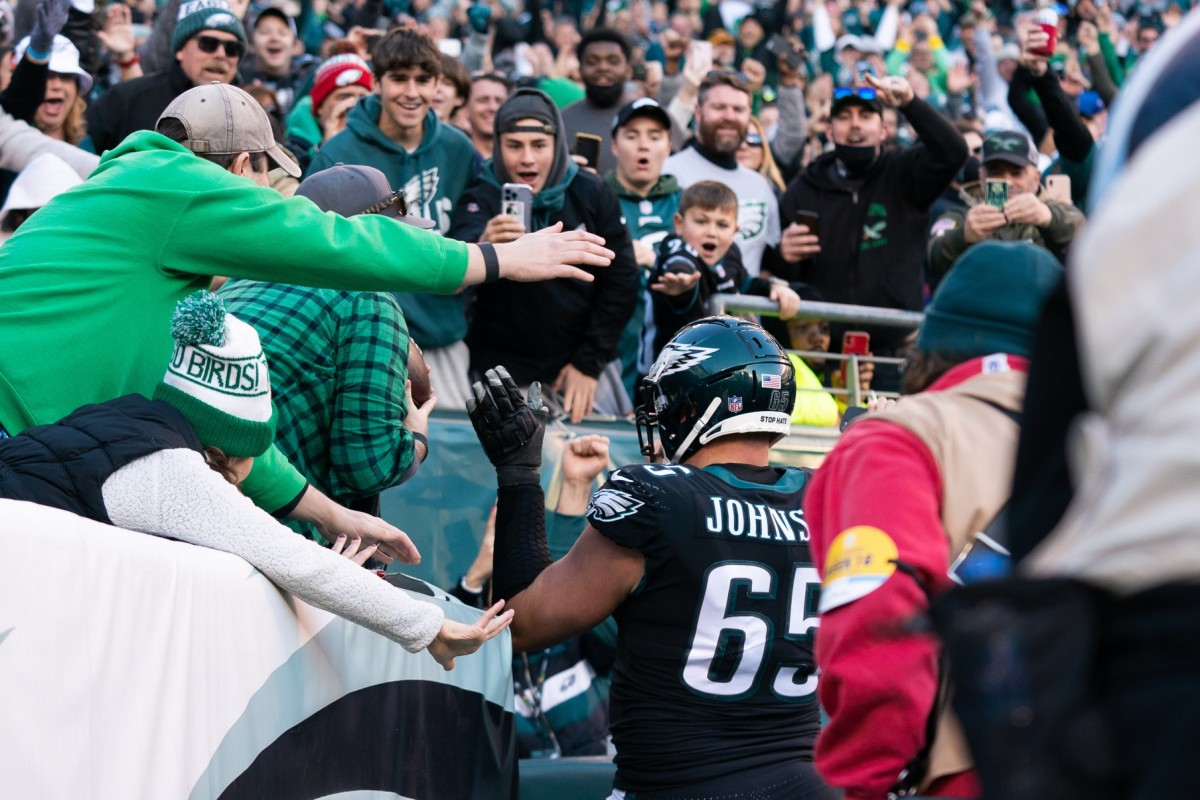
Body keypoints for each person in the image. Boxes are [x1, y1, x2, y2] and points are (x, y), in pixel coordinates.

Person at [0, 82, 614, 556]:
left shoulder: (151, 248)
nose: (274, 204)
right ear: (241, 168)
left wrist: (331, 515)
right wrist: (496, 258)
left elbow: (221, 431)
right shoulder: (175, 181)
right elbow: (337, 245)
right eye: (270, 184)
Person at [0, 292, 513, 670]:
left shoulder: (124, 416)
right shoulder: (175, 473)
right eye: (255, 453)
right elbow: (300, 565)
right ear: (227, 450)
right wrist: (431, 630)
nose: (256, 471)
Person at [466, 317, 837, 800]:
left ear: (695, 404)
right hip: (808, 786)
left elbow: (522, 624)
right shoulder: (828, 499)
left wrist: (519, 473)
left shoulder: (658, 498)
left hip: (680, 786)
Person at [805, 242, 1062, 799]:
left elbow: (880, 622)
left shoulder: (898, 438)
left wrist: (859, 786)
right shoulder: (1133, 445)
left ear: (935, 341)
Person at [219, 163, 436, 540]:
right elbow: (368, 466)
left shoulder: (237, 280)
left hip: (199, 498)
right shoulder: (368, 298)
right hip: (275, 532)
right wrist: (416, 439)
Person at [309, 28, 480, 407]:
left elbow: (478, 205)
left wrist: (472, 243)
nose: (412, 92)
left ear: (438, 84)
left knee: (451, 450)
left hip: (442, 340)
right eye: (399, 79)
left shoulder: (458, 147)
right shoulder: (337, 152)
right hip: (365, 344)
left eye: (423, 80)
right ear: (378, 82)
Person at [450, 87, 637, 423]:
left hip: (578, 368)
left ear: (557, 145)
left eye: (538, 145)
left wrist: (587, 363)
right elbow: (454, 270)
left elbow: (621, 280)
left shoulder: (590, 191)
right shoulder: (482, 194)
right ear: (497, 145)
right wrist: (482, 246)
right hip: (500, 371)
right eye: (514, 145)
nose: (527, 159)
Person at [774, 74, 967, 386]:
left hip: (893, 355)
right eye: (845, 117)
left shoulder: (905, 174)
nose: (855, 125)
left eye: (866, 116)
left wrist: (910, 103)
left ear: (884, 129)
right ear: (829, 129)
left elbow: (953, 151)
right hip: (822, 356)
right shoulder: (803, 188)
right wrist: (784, 255)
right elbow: (781, 273)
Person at [650, 181, 800, 355]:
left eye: (722, 225)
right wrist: (682, 284)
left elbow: (745, 283)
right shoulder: (677, 249)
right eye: (701, 221)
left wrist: (774, 287)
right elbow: (680, 265)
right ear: (679, 224)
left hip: (718, 361)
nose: (712, 232)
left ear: (734, 231)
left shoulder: (730, 253)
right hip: (670, 366)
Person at [86, 0, 248, 154]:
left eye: (232, 49)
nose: (221, 54)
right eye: (208, 44)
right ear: (180, 50)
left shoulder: (252, 116)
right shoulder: (128, 99)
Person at [663, 70, 782, 277]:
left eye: (738, 109)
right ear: (698, 113)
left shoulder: (761, 187)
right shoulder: (668, 174)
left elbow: (768, 265)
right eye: (719, 107)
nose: (729, 116)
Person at [605, 96, 681, 400]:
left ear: (668, 145)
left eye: (654, 136)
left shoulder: (688, 203)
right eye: (632, 136)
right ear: (614, 146)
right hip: (607, 358)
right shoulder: (594, 197)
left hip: (671, 357)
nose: (643, 145)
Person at [928, 130, 1084, 275]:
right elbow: (933, 255)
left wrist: (1049, 217)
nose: (1007, 182)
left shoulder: (1051, 212)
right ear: (981, 177)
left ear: (1036, 178)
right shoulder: (963, 214)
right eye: (996, 172)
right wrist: (963, 236)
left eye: (1017, 173)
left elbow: (1085, 237)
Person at [284, 51, 374, 173]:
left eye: (363, 98)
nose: (353, 105)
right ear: (320, 107)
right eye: (344, 97)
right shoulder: (293, 153)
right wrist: (329, 146)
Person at [560, 28, 632, 176]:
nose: (603, 68)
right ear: (579, 69)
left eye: (613, 61)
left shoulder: (649, 116)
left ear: (628, 69)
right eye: (592, 62)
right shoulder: (560, 121)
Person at [238, 6, 312, 116]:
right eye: (264, 32)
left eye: (282, 33)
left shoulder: (309, 78)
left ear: (295, 45)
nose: (274, 38)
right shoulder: (237, 80)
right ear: (251, 44)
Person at [463, 71, 510, 160]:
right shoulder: (453, 155)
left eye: (499, 101)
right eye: (483, 100)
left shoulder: (518, 160)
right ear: (466, 108)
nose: (492, 108)